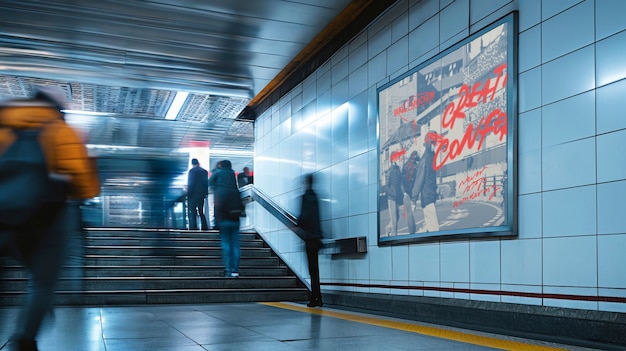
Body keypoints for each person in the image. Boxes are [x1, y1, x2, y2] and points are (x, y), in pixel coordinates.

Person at [0, 86, 100, 351]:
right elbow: (84, 185)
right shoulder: (60, 129)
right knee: (43, 281)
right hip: (45, 218)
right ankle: (23, 339)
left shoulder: (3, 125)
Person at [208, 159, 243, 277]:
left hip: (223, 218)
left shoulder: (218, 178)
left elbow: (209, 183)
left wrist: (215, 171)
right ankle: (235, 270)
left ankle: (228, 270)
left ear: (220, 166)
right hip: (235, 217)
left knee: (226, 243)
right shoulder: (233, 181)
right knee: (235, 244)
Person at [297, 173, 323, 307]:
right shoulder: (315, 196)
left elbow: (304, 217)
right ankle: (318, 297)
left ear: (306, 183)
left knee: (312, 269)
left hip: (309, 238)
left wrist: (297, 223)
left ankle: (315, 298)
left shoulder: (305, 197)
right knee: (315, 270)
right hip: (317, 237)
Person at [413, 132, 440, 233]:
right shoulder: (425, 159)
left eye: (435, 143)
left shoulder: (432, 157)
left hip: (430, 196)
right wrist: (413, 200)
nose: (435, 145)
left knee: (429, 227)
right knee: (435, 229)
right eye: (433, 143)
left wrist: (436, 188)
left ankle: (417, 238)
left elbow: (431, 176)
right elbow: (419, 180)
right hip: (427, 197)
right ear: (428, 144)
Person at [187, 158, 209, 231]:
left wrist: (188, 193)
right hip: (201, 194)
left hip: (193, 194)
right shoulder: (204, 171)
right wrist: (205, 193)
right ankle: (204, 227)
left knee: (192, 211)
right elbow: (206, 183)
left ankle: (193, 227)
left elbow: (191, 183)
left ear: (192, 164)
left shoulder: (192, 171)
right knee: (201, 211)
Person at [401, 151, 420, 234]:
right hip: (411, 192)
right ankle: (412, 231)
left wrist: (403, 191)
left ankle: (412, 230)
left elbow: (401, 179)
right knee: (411, 212)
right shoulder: (413, 166)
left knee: (410, 213)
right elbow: (415, 180)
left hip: (408, 192)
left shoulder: (406, 165)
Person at [384, 161, 402, 236]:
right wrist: (392, 193)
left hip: (397, 198)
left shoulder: (398, 170)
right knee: (394, 219)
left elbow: (400, 183)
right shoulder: (390, 171)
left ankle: (388, 229)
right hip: (391, 198)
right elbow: (386, 186)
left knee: (397, 216)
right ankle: (394, 236)